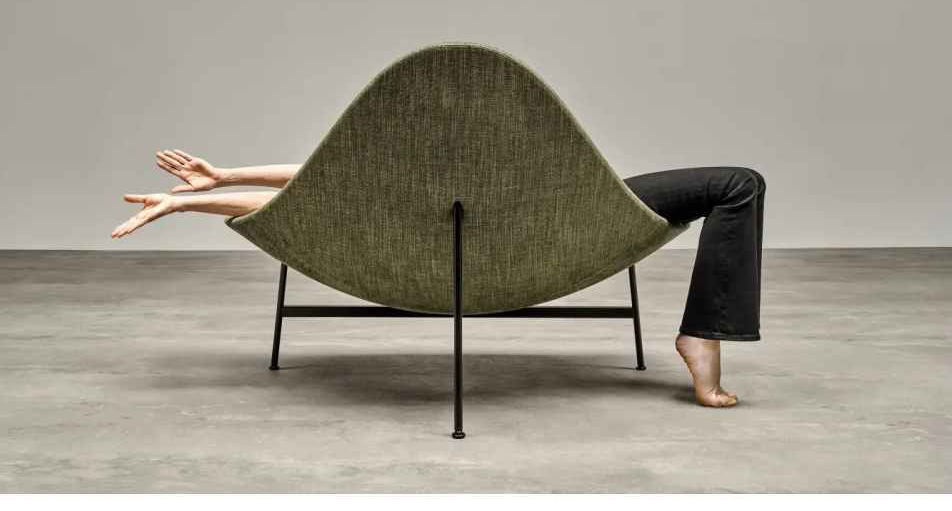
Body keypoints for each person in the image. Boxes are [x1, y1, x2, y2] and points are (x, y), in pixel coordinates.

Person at [112, 150, 766, 409]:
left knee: (740, 184)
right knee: (738, 185)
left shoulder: (380, 182)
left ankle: (702, 333)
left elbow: (321, 172)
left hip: (574, 206)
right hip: (554, 227)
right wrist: (193, 202)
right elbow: (298, 200)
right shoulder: (369, 216)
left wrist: (220, 179)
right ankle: (704, 335)